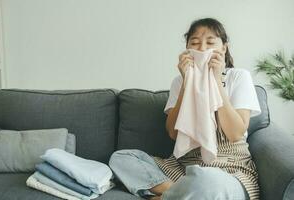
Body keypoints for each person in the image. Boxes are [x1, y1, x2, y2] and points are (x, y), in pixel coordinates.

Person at [109, 18, 261, 200]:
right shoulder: (179, 81)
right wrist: (186, 83)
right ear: (188, 49)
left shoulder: (238, 77)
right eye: (195, 43)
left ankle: (176, 194)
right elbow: (173, 133)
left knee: (208, 181)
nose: (202, 49)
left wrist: (216, 82)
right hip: (182, 169)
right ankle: (182, 193)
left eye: (210, 42)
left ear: (223, 48)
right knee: (121, 158)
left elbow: (236, 133)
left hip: (229, 169)